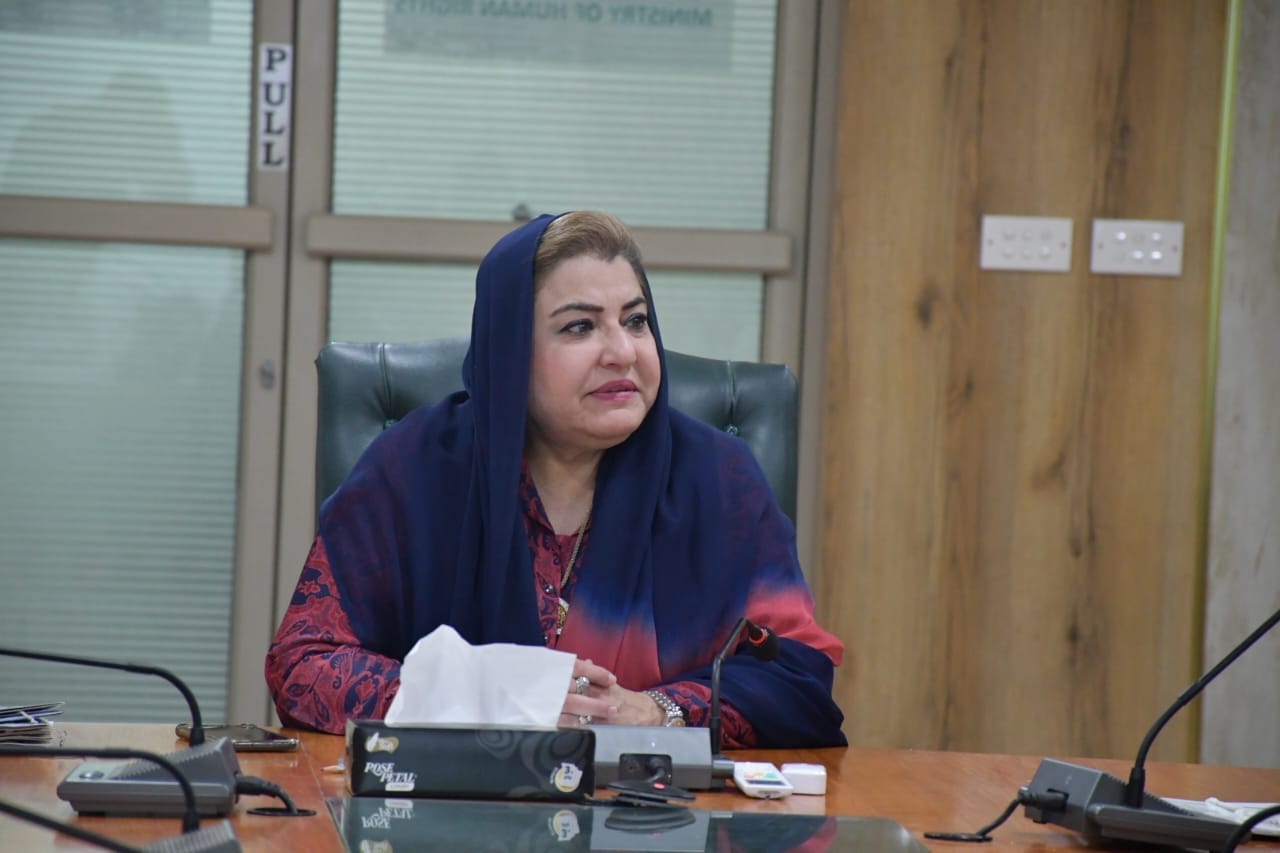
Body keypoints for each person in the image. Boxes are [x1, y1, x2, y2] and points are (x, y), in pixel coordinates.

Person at [265, 211, 846, 747]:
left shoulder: (721, 481)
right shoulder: (413, 472)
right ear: (508, 354)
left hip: (656, 807)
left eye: (636, 321)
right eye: (579, 327)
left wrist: (657, 712)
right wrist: (484, 697)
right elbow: (302, 664)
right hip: (453, 805)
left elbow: (797, 676)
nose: (622, 352)